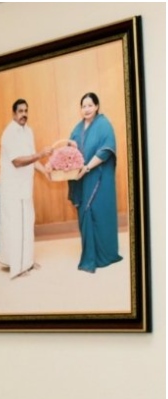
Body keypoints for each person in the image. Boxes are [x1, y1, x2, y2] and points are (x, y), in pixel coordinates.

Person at [67, 92, 122, 273]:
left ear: (97, 106)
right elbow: (70, 153)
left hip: (99, 177)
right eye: (83, 106)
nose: (87, 109)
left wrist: (87, 167)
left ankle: (105, 253)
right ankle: (90, 251)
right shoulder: (77, 129)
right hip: (81, 180)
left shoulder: (104, 124)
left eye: (90, 105)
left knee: (99, 212)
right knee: (84, 212)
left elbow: (106, 150)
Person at [0, 98, 51, 278]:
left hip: (25, 187)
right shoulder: (9, 133)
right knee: (16, 226)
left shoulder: (28, 131)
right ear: (14, 113)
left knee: (27, 223)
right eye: (20, 111)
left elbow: (32, 159)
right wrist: (40, 154)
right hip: (13, 189)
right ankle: (19, 267)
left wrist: (45, 171)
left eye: (26, 111)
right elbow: (17, 161)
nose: (24, 114)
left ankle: (26, 261)